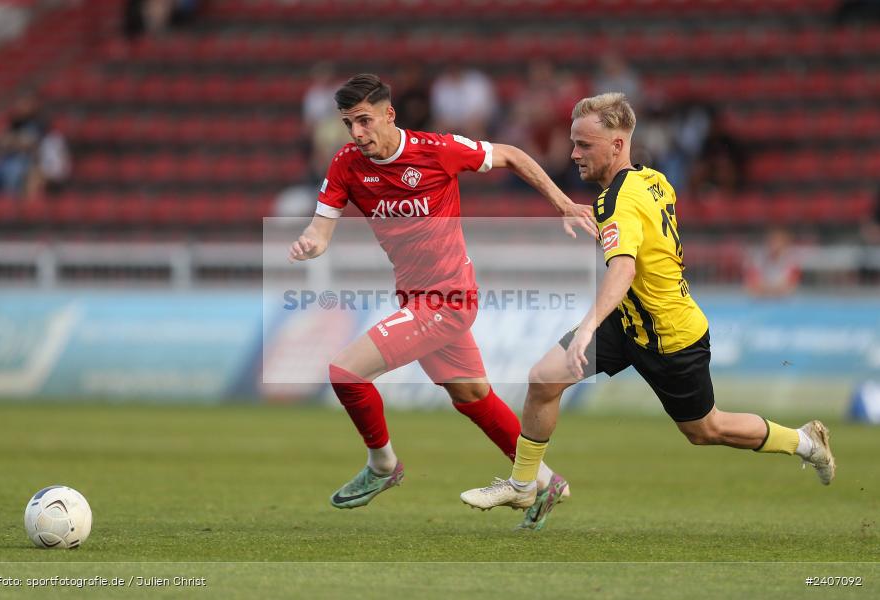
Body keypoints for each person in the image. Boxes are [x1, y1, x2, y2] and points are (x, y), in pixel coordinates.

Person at [460, 93, 836, 525]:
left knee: (705, 430)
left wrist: (585, 328)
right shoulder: (654, 179)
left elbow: (623, 269)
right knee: (544, 378)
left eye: (584, 145)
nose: (574, 154)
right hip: (630, 322)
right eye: (573, 143)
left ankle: (805, 441)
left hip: (670, 335)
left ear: (617, 145)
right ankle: (525, 486)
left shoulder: (615, 201)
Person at [288, 74, 597, 529]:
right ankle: (546, 479)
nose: (357, 133)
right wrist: (312, 243)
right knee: (471, 395)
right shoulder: (346, 164)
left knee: (345, 373)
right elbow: (321, 226)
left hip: (446, 300)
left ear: (389, 114)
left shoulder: (436, 150)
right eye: (348, 123)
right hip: (416, 298)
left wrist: (562, 202)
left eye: (364, 121)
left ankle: (382, 466)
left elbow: (510, 154)